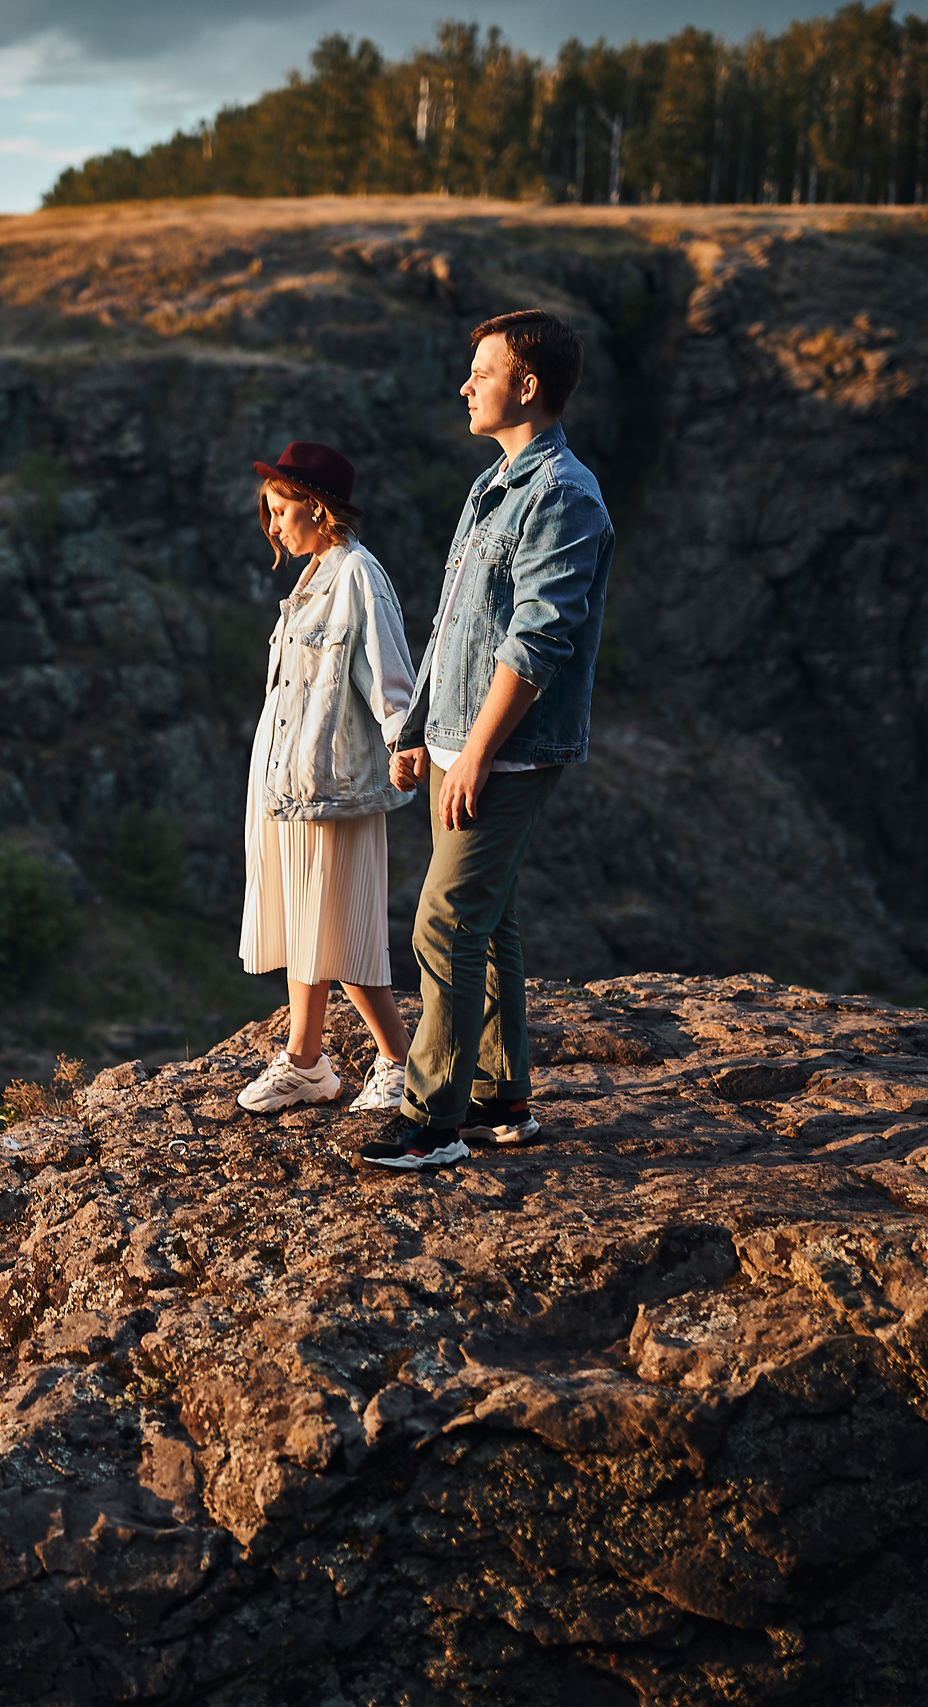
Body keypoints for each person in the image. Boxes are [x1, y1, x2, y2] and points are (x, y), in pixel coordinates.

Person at [357, 310, 614, 1173]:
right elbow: (456, 623)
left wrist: (473, 753)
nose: (465, 385)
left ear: (527, 385)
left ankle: (433, 1121)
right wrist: (422, 729)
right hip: (461, 736)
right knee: (489, 919)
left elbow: (536, 641)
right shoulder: (491, 485)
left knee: (447, 918)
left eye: (481, 371)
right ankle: (503, 1100)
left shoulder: (564, 495)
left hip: (507, 748)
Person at [233, 441, 421, 1116]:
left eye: (281, 511)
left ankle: (402, 1061)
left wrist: (405, 742)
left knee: (342, 928)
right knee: (306, 923)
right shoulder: (313, 577)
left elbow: (389, 673)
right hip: (290, 782)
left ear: (317, 508)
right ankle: (308, 1060)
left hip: (334, 786)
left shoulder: (357, 576)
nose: (274, 525)